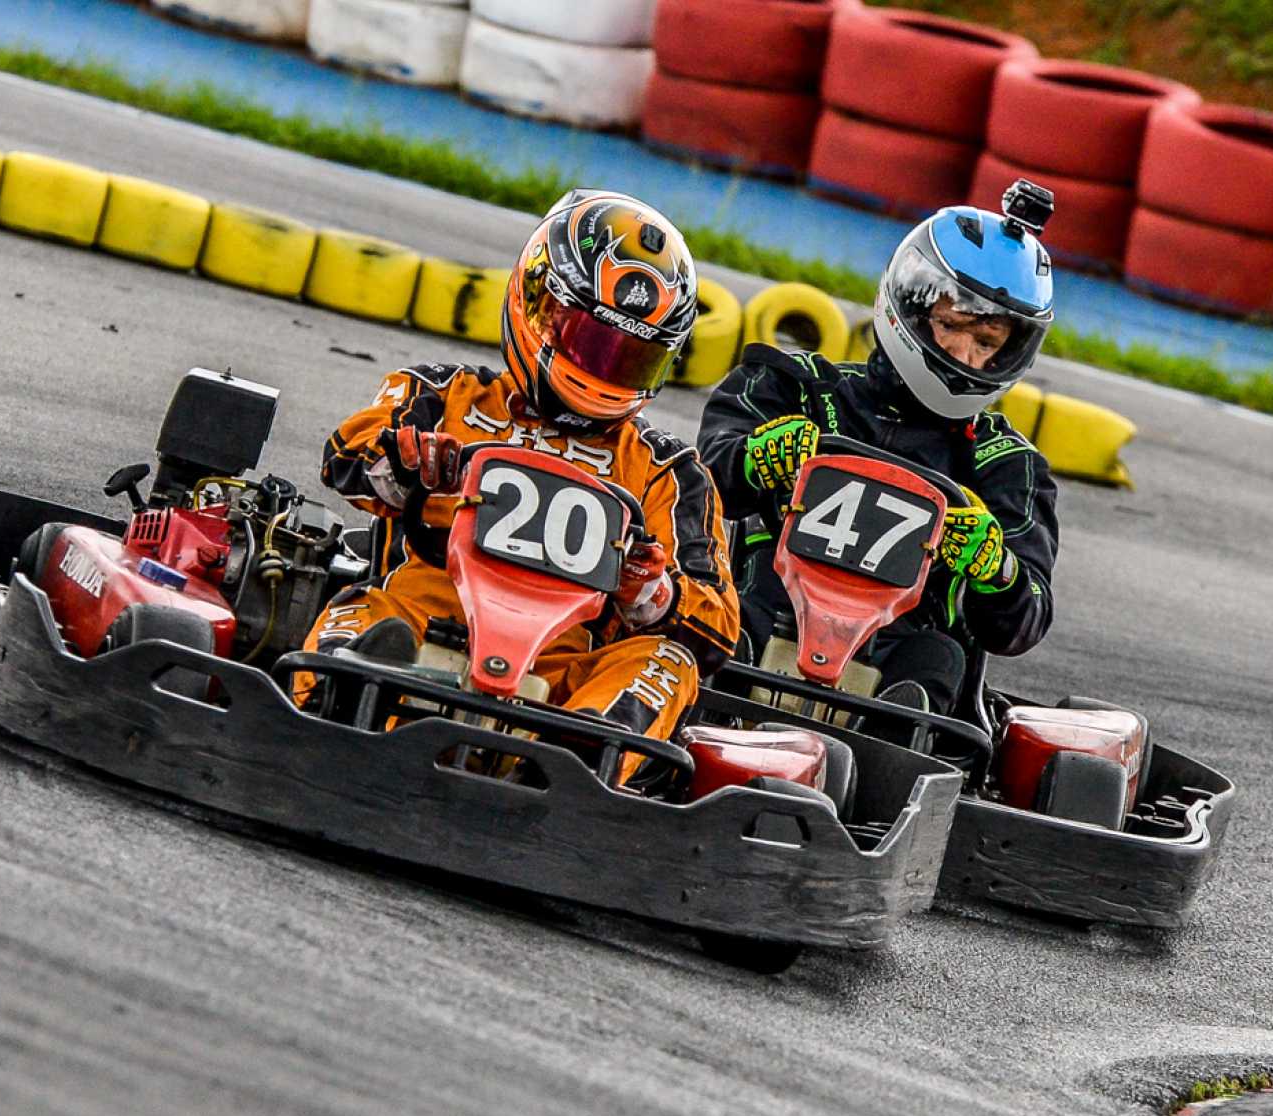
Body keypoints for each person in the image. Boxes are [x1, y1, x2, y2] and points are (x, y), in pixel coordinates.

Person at [299, 189, 739, 752]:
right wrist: (403, 465)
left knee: (668, 660)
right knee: (361, 607)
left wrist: (651, 591)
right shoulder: (440, 394)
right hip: (417, 624)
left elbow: (719, 626)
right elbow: (344, 453)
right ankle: (336, 708)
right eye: (592, 344)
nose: (605, 371)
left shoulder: (667, 470)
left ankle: (578, 763)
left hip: (558, 681)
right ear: (539, 304)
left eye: (631, 358)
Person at [697, 182, 1062, 715]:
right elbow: (693, 490)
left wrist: (996, 570)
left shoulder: (1005, 465)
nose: (964, 353)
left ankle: (893, 747)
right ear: (910, 306)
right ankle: (710, 711)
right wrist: (754, 459)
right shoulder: (796, 388)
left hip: (901, 655)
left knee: (939, 660)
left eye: (986, 343)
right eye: (953, 326)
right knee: (716, 612)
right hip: (765, 610)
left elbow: (1023, 623)